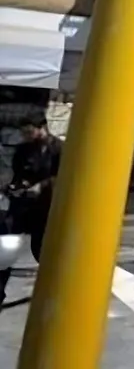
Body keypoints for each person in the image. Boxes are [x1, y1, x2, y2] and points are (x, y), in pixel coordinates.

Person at [0, 114, 62, 309]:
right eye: (23, 133)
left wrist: (42, 186)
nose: (26, 137)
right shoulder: (23, 150)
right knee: (6, 248)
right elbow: (18, 174)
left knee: (41, 250)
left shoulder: (59, 149)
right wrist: (16, 185)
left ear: (42, 127)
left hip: (45, 207)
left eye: (29, 132)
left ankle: (53, 287)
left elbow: (62, 175)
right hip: (21, 206)